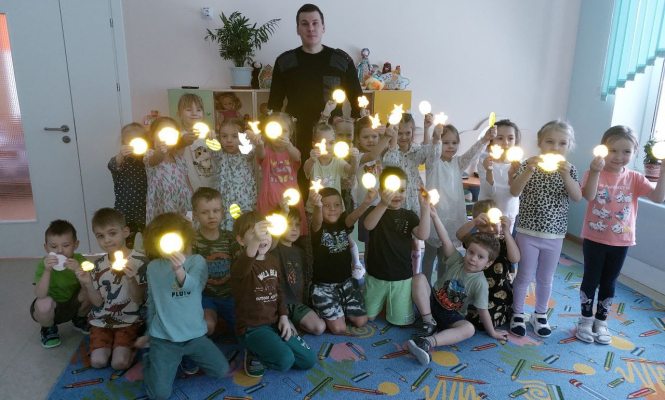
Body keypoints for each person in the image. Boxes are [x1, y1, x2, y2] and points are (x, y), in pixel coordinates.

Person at [577, 126, 665, 344]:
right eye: (613, 150)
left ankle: (601, 321)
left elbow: (657, 198)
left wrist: (663, 171)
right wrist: (594, 172)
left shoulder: (635, 178)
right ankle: (585, 320)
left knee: (609, 281)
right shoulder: (592, 172)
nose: (619, 156)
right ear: (603, 149)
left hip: (621, 240)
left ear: (635, 152)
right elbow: (589, 196)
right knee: (591, 278)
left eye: (626, 151)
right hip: (594, 238)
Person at [268, 3, 363, 199]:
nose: (310, 28)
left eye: (315, 23)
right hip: (297, 136)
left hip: (332, 136)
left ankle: (335, 219)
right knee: (299, 187)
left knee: (335, 187)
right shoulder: (285, 61)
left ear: (323, 27)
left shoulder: (341, 61)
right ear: (297, 29)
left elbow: (357, 100)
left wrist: (355, 132)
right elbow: (274, 105)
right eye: (304, 24)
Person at [140, 213, 229, 400]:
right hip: (164, 339)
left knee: (221, 370)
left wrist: (179, 270)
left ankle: (180, 359)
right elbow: (153, 302)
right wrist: (148, 333)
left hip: (194, 336)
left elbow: (193, 288)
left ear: (183, 239)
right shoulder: (153, 267)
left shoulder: (197, 261)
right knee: (159, 395)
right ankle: (151, 358)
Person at [509, 120, 582, 338]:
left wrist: (565, 175)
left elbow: (577, 196)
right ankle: (518, 312)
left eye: (562, 143)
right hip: (527, 232)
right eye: (550, 142)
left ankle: (540, 314)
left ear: (568, 146)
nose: (555, 148)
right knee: (524, 275)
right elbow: (514, 191)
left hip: (555, 235)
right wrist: (528, 170)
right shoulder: (528, 164)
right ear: (540, 142)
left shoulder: (570, 170)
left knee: (545, 278)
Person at [407, 210, 507, 365]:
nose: (473, 259)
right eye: (471, 252)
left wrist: (492, 332)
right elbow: (445, 240)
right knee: (419, 278)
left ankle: (427, 342)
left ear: (488, 263)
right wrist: (435, 216)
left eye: (480, 257)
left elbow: (483, 310)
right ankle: (428, 322)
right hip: (432, 303)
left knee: (469, 329)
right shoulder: (457, 260)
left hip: (451, 316)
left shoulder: (481, 283)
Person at [231, 211, 317, 378]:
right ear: (241, 240)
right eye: (255, 234)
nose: (262, 238)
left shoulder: (272, 260)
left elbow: (278, 292)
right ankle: (253, 350)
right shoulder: (239, 263)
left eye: (266, 233)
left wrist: (284, 317)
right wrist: (255, 241)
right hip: (253, 328)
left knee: (308, 360)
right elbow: (244, 263)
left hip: (275, 322)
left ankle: (269, 345)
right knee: (285, 360)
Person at [421, 121, 496, 284]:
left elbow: (472, 154)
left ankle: (441, 286)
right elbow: (432, 152)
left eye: (454, 143)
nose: (451, 146)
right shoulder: (432, 162)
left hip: (451, 217)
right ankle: (424, 285)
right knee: (429, 255)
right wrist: (436, 139)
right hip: (434, 216)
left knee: (445, 257)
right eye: (445, 142)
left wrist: (485, 139)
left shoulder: (458, 163)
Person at [80, 208, 148, 369]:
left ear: (125, 232)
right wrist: (88, 284)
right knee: (98, 362)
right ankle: (110, 345)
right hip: (102, 321)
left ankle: (129, 349)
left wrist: (131, 279)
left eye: (112, 233)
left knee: (119, 363)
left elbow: (139, 300)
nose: (107, 240)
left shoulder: (140, 261)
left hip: (129, 321)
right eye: (100, 236)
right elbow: (97, 303)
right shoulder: (98, 265)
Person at [362, 167, 431, 326]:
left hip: (401, 277)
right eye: (392, 190)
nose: (397, 195)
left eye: (402, 190)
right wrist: (383, 204)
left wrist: (425, 208)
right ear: (381, 192)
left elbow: (423, 235)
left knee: (401, 322)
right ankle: (378, 298)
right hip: (376, 276)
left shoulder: (409, 215)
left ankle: (392, 301)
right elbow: (368, 225)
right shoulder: (374, 210)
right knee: (368, 318)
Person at [309, 187, 376, 334]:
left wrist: (366, 203)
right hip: (324, 287)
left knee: (361, 321)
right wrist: (318, 207)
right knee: (339, 329)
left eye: (336, 205)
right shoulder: (318, 227)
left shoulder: (343, 223)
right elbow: (317, 222)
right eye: (326, 205)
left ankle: (340, 307)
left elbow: (353, 217)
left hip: (346, 283)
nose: (332, 209)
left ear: (342, 208)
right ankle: (321, 306)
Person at [383, 113, 441, 274]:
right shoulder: (389, 151)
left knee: (415, 240)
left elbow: (430, 156)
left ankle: (415, 273)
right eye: (399, 133)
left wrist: (428, 130)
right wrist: (393, 137)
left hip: (414, 198)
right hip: (397, 198)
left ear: (412, 132)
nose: (403, 137)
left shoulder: (416, 150)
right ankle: (395, 268)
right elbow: (391, 162)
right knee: (397, 238)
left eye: (407, 133)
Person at [304, 123, 361, 279]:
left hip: (334, 212)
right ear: (314, 145)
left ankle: (349, 267)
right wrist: (311, 158)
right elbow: (306, 170)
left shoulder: (338, 162)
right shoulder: (313, 162)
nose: (327, 147)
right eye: (322, 143)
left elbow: (352, 170)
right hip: (314, 210)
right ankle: (311, 279)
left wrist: (355, 159)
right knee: (312, 247)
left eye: (331, 142)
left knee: (339, 241)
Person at [456, 200, 520, 329]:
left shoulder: (503, 242)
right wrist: (473, 221)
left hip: (497, 295)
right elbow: (460, 235)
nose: (490, 229)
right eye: (484, 226)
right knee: (451, 307)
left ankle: (506, 310)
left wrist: (506, 231)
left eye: (494, 224)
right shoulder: (476, 241)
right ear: (478, 227)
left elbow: (515, 259)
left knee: (483, 322)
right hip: (474, 292)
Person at [31, 220, 91, 348]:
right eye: (54, 247)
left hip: (74, 302)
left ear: (75, 245)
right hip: (53, 304)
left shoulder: (79, 260)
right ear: (46, 248)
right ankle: (48, 328)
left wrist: (78, 270)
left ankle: (80, 319)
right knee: (43, 304)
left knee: (91, 291)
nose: (60, 251)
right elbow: (40, 294)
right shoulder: (44, 264)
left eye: (66, 245)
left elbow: (89, 286)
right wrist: (47, 271)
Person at [271, 206, 326, 335]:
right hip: (277, 305)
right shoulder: (273, 247)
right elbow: (273, 240)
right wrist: (282, 215)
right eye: (289, 224)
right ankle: (284, 323)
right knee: (289, 334)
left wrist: (301, 303)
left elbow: (300, 279)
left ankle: (293, 321)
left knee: (319, 327)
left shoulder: (300, 252)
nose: (294, 228)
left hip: (294, 303)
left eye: (297, 224)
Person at [256, 112, 307, 236]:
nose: (279, 135)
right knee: (270, 233)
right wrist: (259, 145)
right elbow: (260, 154)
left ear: (291, 133)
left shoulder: (292, 152)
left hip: (290, 200)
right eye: (275, 130)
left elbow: (297, 157)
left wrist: (288, 145)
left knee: (291, 232)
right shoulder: (267, 152)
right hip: (270, 200)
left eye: (284, 131)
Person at [212, 118, 259, 231]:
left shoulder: (245, 153)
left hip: (245, 199)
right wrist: (211, 137)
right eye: (224, 136)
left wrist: (249, 136)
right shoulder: (220, 154)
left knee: (245, 227)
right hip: (225, 199)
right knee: (226, 228)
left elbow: (251, 148)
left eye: (235, 136)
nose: (229, 140)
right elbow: (213, 148)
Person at [143, 117, 193, 224]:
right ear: (151, 136)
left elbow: (187, 185)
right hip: (163, 207)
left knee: (184, 230)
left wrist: (194, 203)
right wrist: (161, 150)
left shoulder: (180, 159)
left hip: (183, 206)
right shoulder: (150, 154)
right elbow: (156, 158)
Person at [354, 117, 391, 254]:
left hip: (383, 205)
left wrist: (388, 134)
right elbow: (371, 156)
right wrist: (385, 137)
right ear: (358, 139)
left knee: (384, 242)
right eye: (366, 137)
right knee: (369, 245)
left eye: (374, 136)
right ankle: (369, 267)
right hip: (366, 206)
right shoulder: (358, 157)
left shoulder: (384, 154)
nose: (370, 140)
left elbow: (391, 148)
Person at [108, 123, 148, 247]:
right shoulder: (122, 160)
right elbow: (112, 166)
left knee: (146, 238)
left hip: (144, 207)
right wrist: (121, 154)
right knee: (127, 239)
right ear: (123, 143)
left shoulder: (147, 160)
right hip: (126, 208)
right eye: (131, 141)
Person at [477, 119, 522, 233]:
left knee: (504, 241)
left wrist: (512, 175)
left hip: (508, 214)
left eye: (510, 138)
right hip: (486, 212)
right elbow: (488, 193)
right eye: (500, 138)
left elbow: (516, 193)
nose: (505, 143)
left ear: (515, 141)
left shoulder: (519, 164)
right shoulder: (484, 161)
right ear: (492, 141)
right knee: (484, 241)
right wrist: (489, 170)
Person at [177, 93, 218, 191]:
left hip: (214, 186)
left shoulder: (209, 135)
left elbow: (219, 157)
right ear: (179, 114)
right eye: (189, 110)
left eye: (198, 110)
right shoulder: (180, 136)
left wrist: (214, 142)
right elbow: (176, 152)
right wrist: (183, 142)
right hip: (192, 189)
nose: (194, 113)